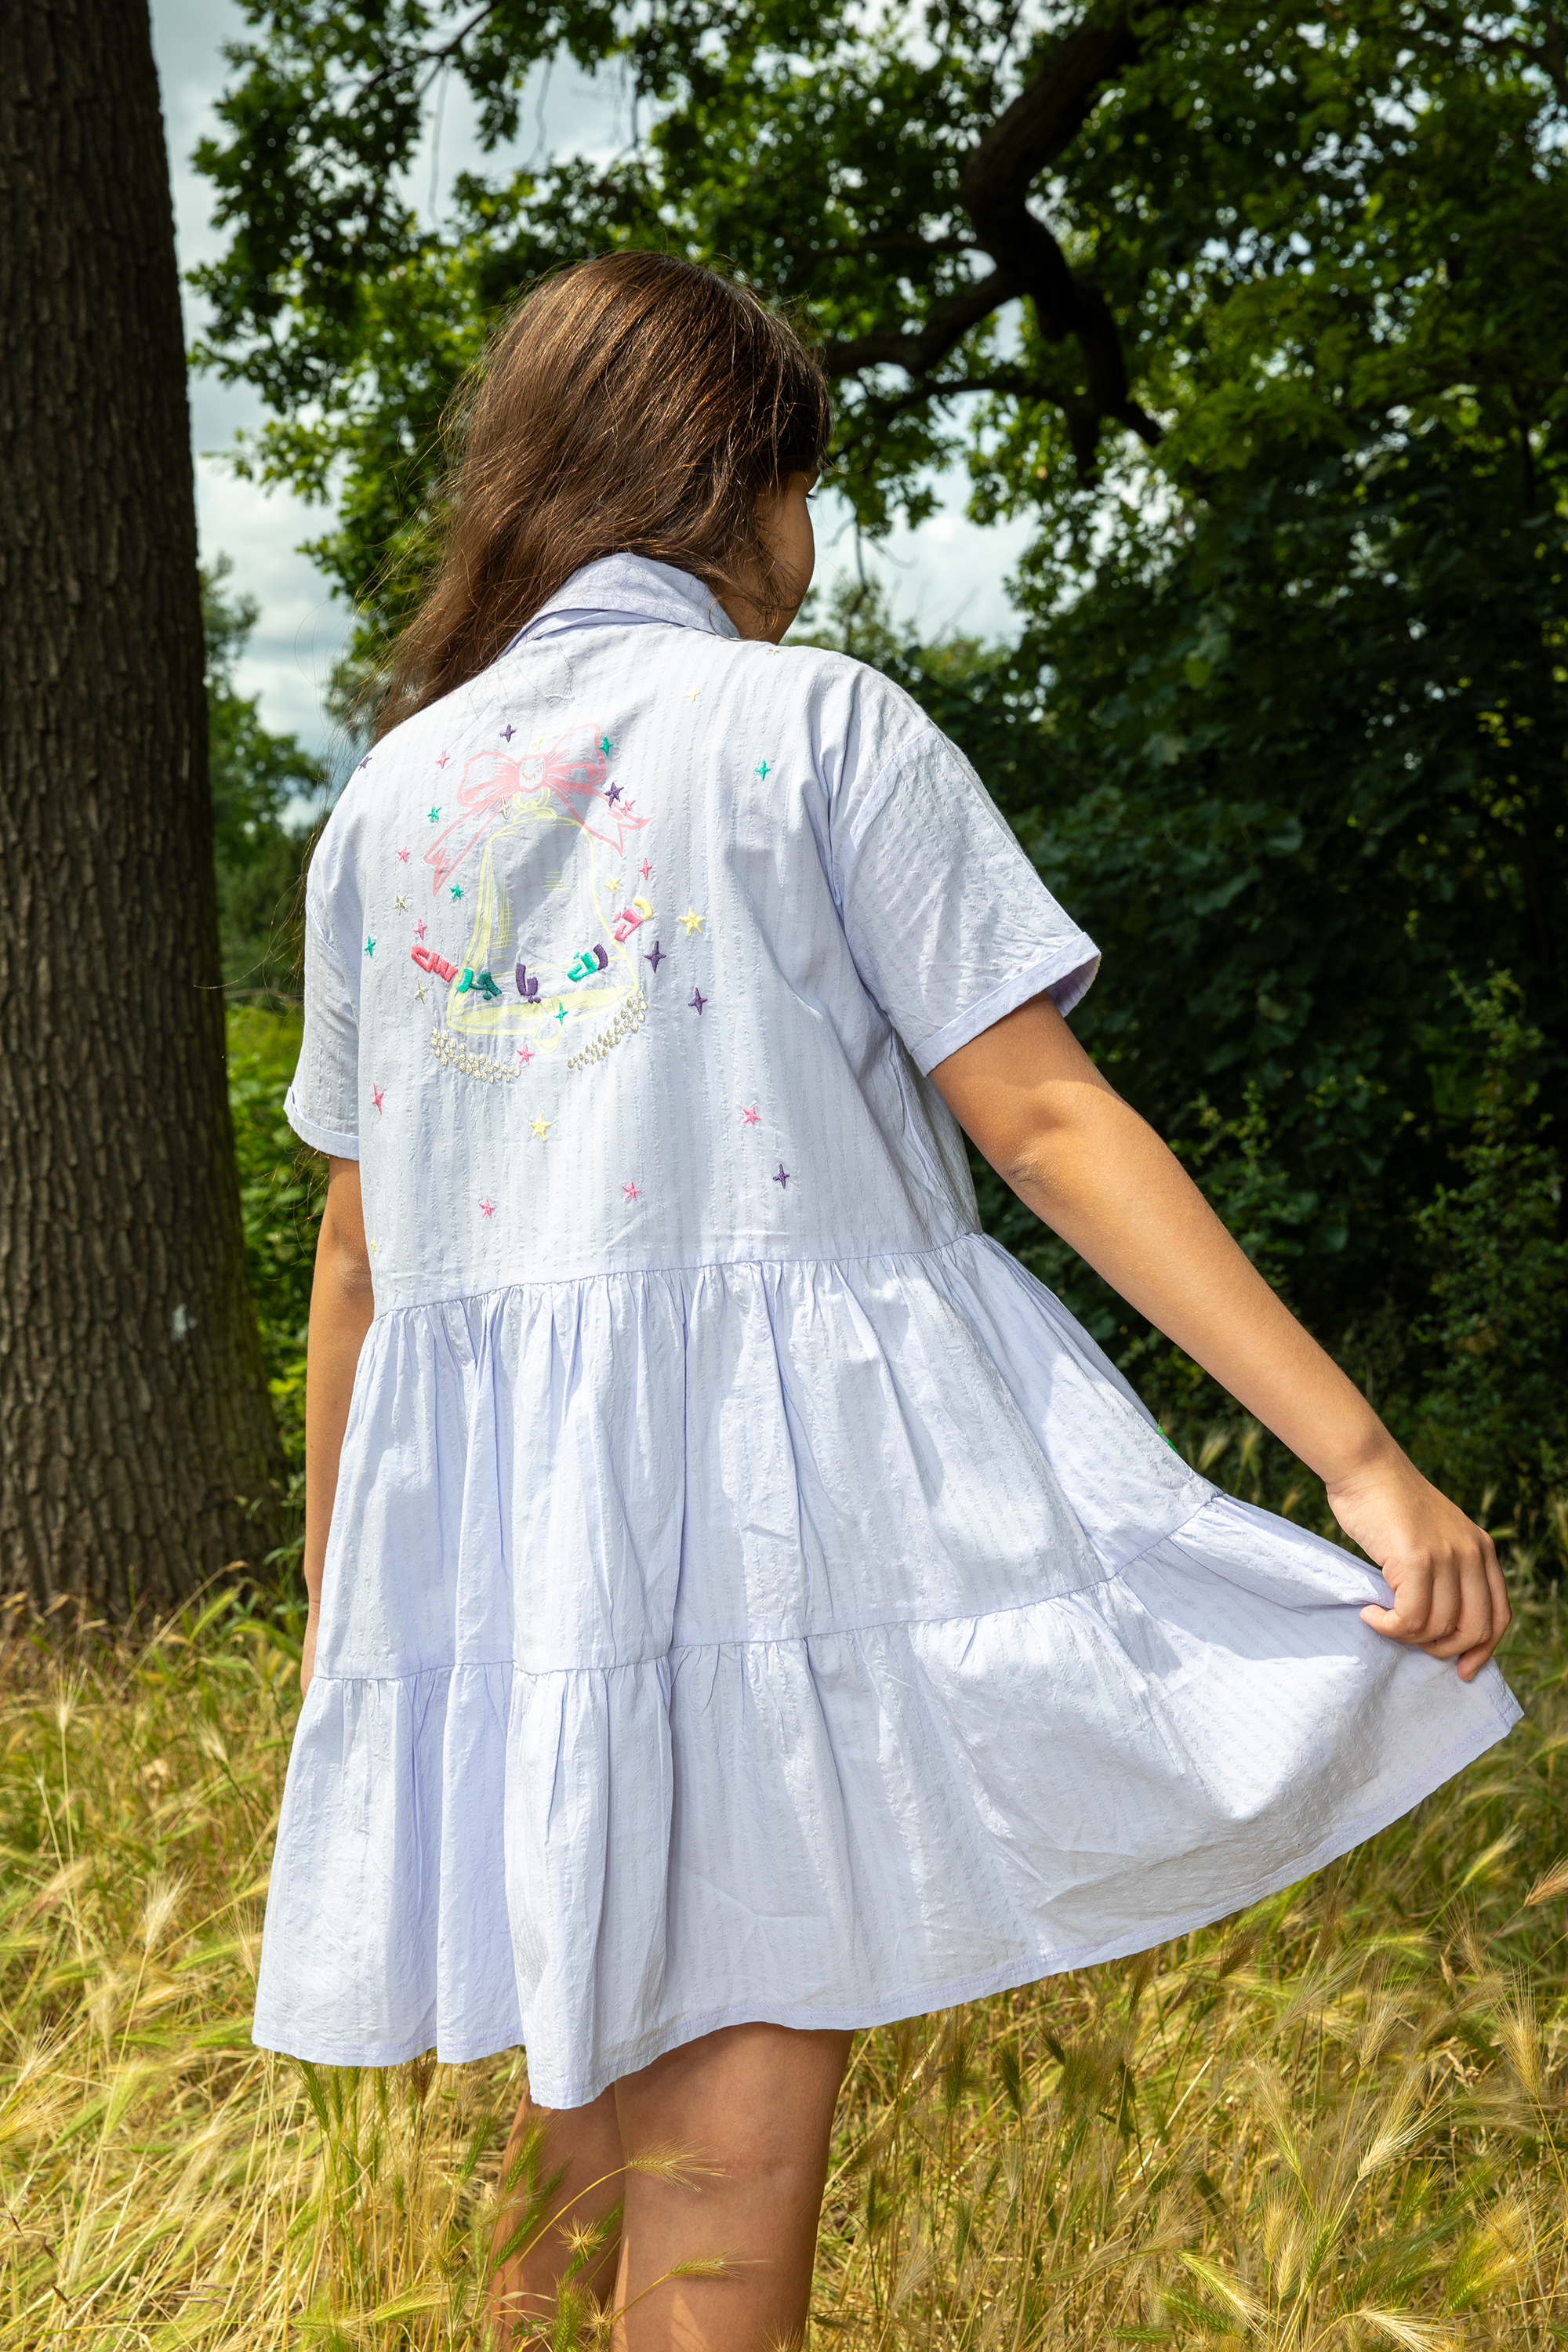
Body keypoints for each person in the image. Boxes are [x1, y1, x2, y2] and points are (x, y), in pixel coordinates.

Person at [252, 252, 1518, 2350]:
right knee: (718, 2240)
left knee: (563, 2244)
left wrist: (347, 1623)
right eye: (801, 489)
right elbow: (1045, 1123)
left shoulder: (390, 804)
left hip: (504, 1590)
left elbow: (355, 1259)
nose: (810, 547)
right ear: (728, 478)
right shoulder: (816, 724)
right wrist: (1366, 1468)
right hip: (774, 1548)